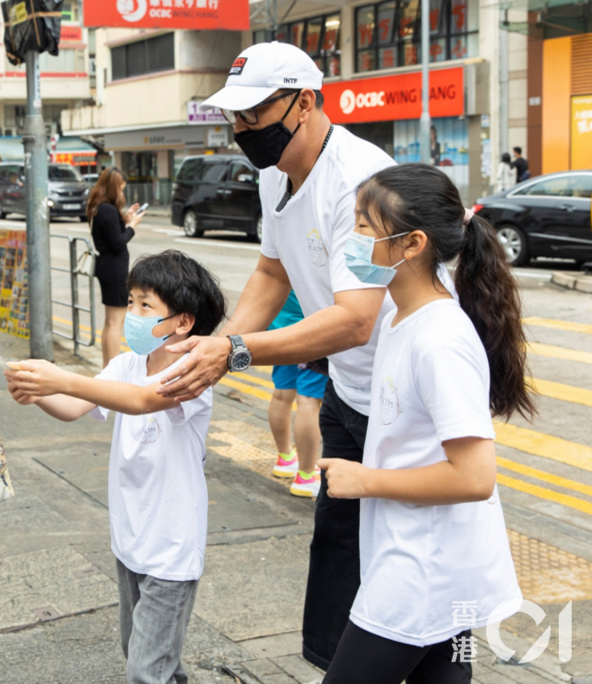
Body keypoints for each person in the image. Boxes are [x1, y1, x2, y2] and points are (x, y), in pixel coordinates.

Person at [155, 41, 403, 670]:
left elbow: (355, 319)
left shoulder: (360, 181)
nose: (241, 130)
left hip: (405, 398)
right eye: (233, 117)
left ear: (305, 101)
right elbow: (272, 274)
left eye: (253, 115)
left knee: (408, 553)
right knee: (338, 540)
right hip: (350, 391)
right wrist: (213, 344)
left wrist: (234, 352)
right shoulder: (275, 176)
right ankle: (335, 664)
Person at [318, 163, 531, 683]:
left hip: (422, 571)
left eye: (364, 228)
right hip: (427, 563)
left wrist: (365, 479)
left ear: (411, 243)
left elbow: (475, 476)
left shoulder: (440, 340)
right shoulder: (399, 316)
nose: (352, 240)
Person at [5, 251, 227, 684]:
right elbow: (75, 405)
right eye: (131, 301)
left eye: (147, 305)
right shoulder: (127, 363)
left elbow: (143, 400)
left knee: (146, 670)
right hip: (130, 540)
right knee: (145, 656)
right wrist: (36, 390)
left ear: (183, 321)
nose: (133, 314)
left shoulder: (195, 374)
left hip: (170, 549)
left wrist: (61, 377)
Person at [266, 291, 325, 498]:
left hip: (281, 332)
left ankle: (285, 458)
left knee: (281, 394)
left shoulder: (283, 258)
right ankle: (306, 476)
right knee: (309, 401)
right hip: (312, 332)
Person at [87, 167, 146, 367]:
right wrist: (132, 226)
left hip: (107, 267)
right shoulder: (108, 209)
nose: (122, 193)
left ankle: (107, 366)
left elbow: (111, 234)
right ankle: (112, 369)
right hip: (114, 269)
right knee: (115, 323)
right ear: (113, 188)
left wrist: (126, 218)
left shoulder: (98, 207)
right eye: (120, 189)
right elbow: (118, 243)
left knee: (110, 322)